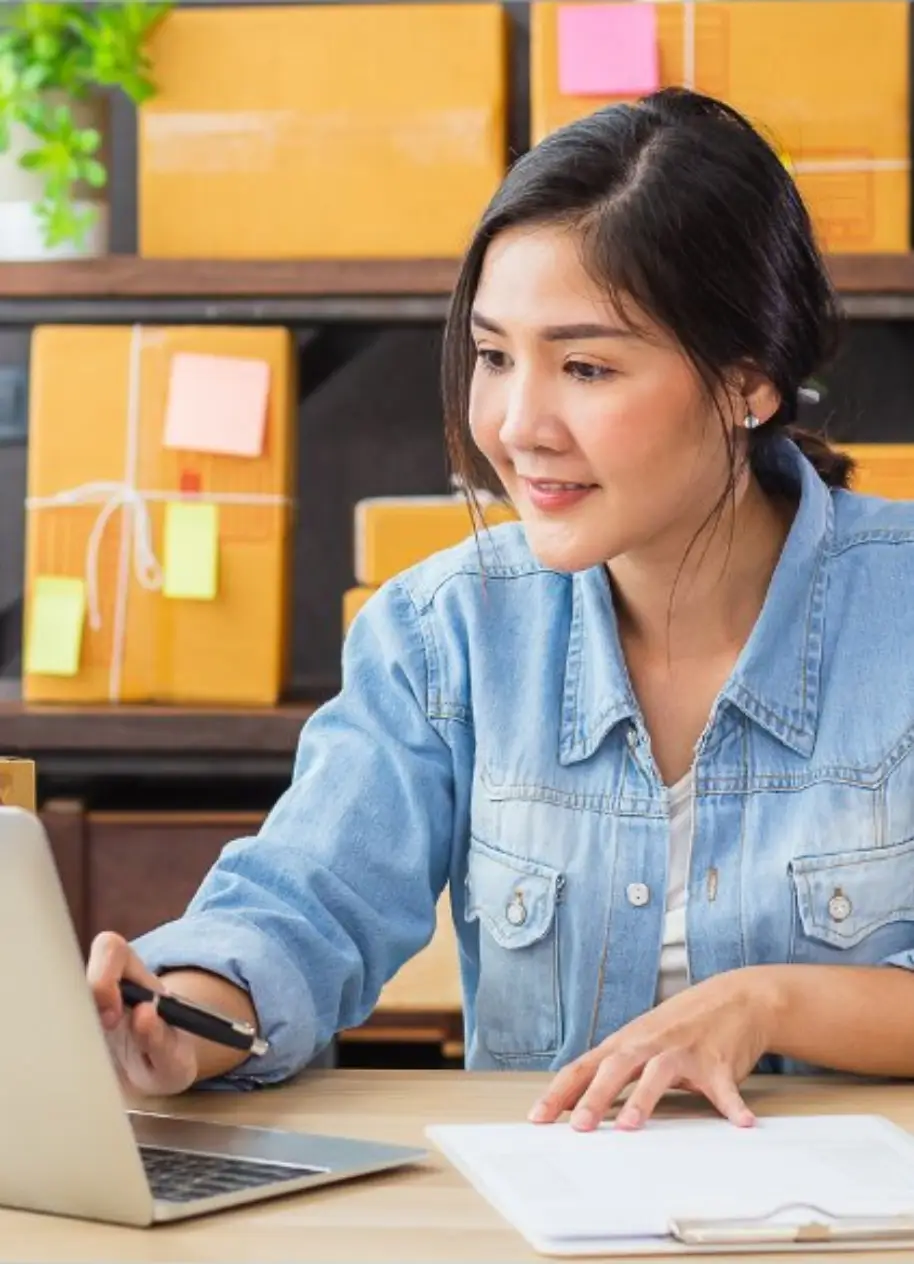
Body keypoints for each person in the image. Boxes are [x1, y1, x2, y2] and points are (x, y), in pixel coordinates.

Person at [88, 87, 914, 1131]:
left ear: (745, 384)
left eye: (583, 365)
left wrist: (766, 1000)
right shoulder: (441, 636)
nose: (517, 425)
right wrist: (182, 1020)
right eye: (491, 356)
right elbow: (304, 907)